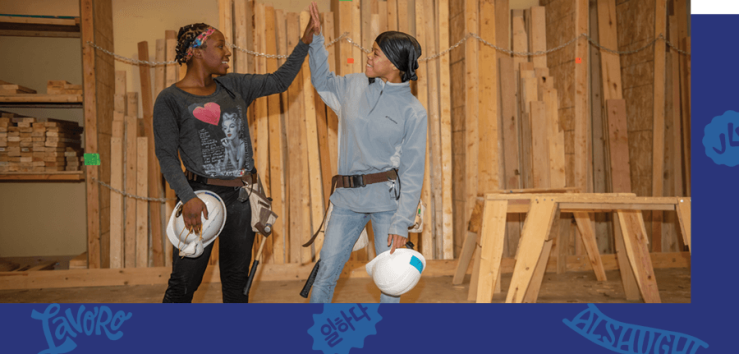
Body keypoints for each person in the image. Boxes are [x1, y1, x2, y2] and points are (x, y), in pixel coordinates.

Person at [153, 17, 320, 303]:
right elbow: (166, 155)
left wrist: (304, 43)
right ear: (197, 51)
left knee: (236, 285)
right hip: (200, 200)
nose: (227, 52)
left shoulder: (234, 87)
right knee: (182, 284)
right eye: (220, 46)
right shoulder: (170, 99)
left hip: (244, 197)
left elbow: (279, 81)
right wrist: (187, 197)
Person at [303, 2, 427, 303]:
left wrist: (401, 223)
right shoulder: (354, 86)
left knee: (390, 282)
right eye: (371, 50)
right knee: (325, 274)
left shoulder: (414, 111)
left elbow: (412, 172)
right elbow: (322, 81)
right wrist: (316, 40)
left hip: (387, 203)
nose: (368, 57)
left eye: (376, 54)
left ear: (395, 66)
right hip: (346, 200)